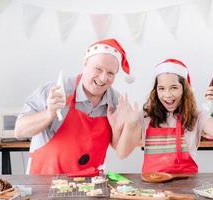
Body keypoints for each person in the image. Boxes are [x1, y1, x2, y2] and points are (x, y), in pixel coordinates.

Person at [14, 38, 138, 175]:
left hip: (90, 186)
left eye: (110, 73)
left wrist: (127, 126)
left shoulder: (115, 101)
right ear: (85, 63)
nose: (103, 78)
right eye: (98, 69)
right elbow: (20, 131)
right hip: (44, 182)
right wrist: (49, 113)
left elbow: (121, 151)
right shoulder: (56, 90)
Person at [116, 59, 213, 174]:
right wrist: (129, 125)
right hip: (153, 188)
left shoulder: (195, 117)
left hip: (186, 186)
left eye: (174, 87)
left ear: (184, 90)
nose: (167, 95)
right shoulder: (146, 117)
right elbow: (122, 153)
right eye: (161, 88)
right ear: (155, 91)